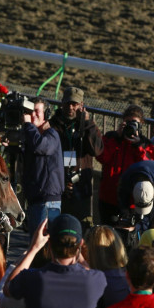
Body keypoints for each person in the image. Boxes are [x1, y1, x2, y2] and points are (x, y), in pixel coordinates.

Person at [50, 87, 104, 227]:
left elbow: (97, 150)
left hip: (81, 187)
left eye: (74, 104)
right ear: (61, 103)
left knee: (80, 228)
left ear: (81, 106)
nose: (70, 107)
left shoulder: (87, 126)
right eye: (68, 103)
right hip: (57, 186)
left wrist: (87, 124)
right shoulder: (53, 124)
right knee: (55, 227)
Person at [97, 105, 154, 225]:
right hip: (109, 197)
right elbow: (102, 157)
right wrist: (117, 138)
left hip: (132, 200)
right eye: (128, 122)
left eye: (134, 123)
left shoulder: (145, 144)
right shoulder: (111, 137)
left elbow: (148, 167)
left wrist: (138, 146)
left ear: (141, 124)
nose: (130, 125)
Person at [22, 97, 64, 235]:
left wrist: (28, 125)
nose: (33, 115)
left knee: (44, 245)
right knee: (35, 244)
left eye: (36, 111)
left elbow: (40, 146)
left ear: (46, 114)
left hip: (48, 202)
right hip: (36, 200)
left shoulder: (51, 134)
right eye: (30, 111)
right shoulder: (32, 135)